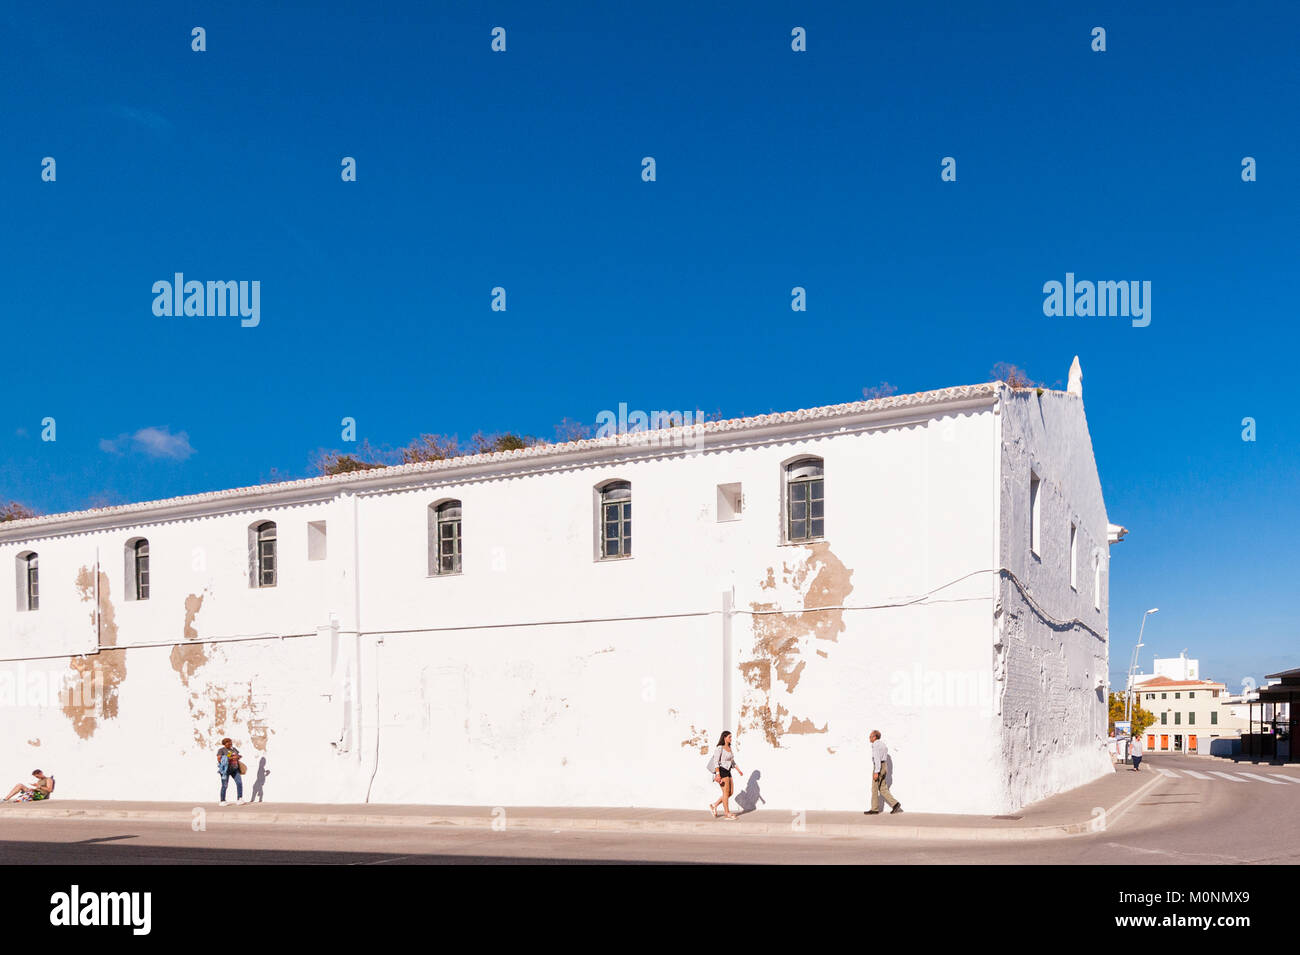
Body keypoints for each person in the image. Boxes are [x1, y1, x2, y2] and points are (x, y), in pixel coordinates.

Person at [706, 731, 743, 820]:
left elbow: (732, 761)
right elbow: (716, 761)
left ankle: (714, 805)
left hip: (728, 771)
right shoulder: (720, 748)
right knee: (725, 792)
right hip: (722, 771)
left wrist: (739, 770)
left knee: (730, 792)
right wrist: (718, 774)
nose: (731, 739)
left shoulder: (729, 748)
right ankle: (727, 813)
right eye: (729, 737)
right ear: (724, 737)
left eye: (731, 737)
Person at [865, 729, 902, 815]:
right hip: (884, 767)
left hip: (879, 767)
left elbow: (877, 759)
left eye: (870, 736)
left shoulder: (875, 745)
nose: (869, 738)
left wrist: (876, 772)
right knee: (883, 788)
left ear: (874, 737)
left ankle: (874, 809)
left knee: (874, 788)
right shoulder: (883, 745)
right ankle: (895, 804)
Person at [217, 737, 245, 805]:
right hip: (225, 770)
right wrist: (232, 757)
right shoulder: (221, 750)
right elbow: (219, 759)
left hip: (235, 769)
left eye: (230, 742)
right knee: (225, 785)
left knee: (239, 783)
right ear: (224, 744)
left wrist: (238, 756)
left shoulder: (234, 749)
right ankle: (222, 800)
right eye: (228, 742)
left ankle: (240, 799)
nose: (230, 743)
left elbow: (238, 755)